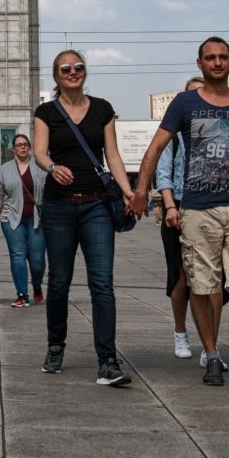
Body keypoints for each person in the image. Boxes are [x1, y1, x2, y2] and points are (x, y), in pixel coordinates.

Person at [134, 37, 229, 396]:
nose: (217, 63)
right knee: (202, 285)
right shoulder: (184, 103)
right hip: (197, 208)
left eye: (223, 57)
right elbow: (156, 147)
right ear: (199, 63)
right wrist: (141, 191)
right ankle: (212, 354)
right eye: (210, 58)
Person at [35, 49, 138, 387]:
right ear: (56, 75)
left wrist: (128, 191)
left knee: (102, 284)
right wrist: (53, 167)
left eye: (78, 67)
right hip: (58, 207)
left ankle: (107, 360)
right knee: (60, 281)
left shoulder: (103, 109)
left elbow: (112, 154)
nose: (73, 71)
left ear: (85, 72)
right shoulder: (46, 112)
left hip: (96, 205)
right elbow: (39, 152)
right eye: (66, 68)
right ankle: (55, 346)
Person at [156, 76, 220, 362]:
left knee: (213, 277)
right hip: (180, 205)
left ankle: (212, 345)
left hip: (212, 207)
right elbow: (163, 172)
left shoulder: (219, 132)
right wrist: (169, 206)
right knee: (183, 274)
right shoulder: (173, 132)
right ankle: (181, 332)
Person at [0, 133, 46, 308]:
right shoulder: (5, 169)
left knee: (37, 260)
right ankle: (22, 294)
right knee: (18, 256)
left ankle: (37, 285)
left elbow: (49, 193)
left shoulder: (40, 166)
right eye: (19, 145)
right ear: (14, 149)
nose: (22, 147)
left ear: (29, 147)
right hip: (11, 218)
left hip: (37, 219)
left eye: (25, 144)